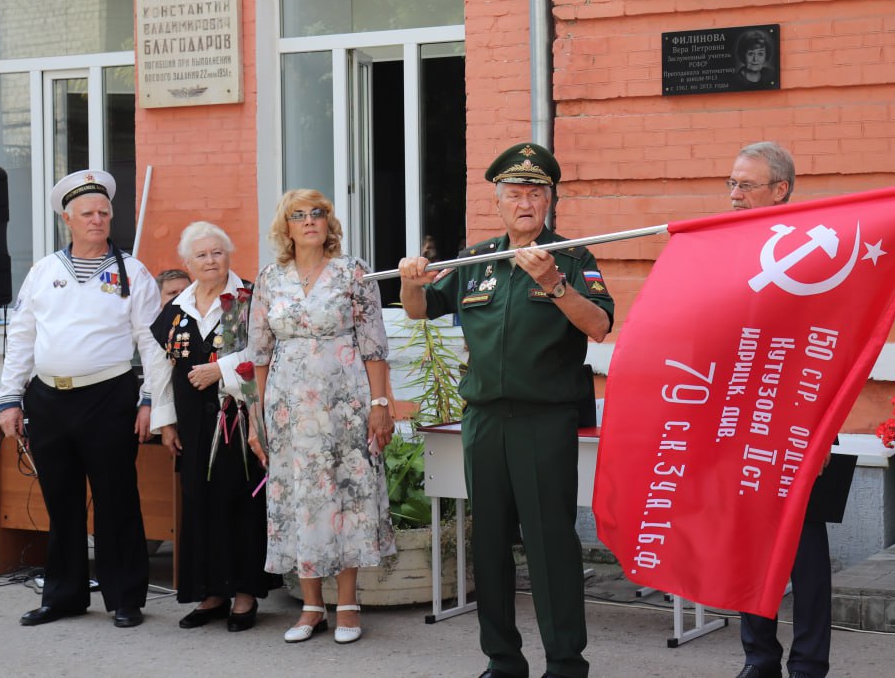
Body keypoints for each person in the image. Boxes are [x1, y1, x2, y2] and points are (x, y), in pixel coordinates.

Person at [398, 142, 614, 678]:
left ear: (549, 202)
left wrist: (552, 283)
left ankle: (565, 662)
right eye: (514, 194)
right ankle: (502, 659)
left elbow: (599, 325)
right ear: (497, 204)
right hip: (484, 420)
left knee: (549, 545)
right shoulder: (478, 260)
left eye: (535, 194)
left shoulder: (573, 257)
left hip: (544, 420)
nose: (525, 203)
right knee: (489, 545)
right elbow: (421, 309)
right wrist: (410, 279)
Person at [0, 169, 169, 629]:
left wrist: (151, 398)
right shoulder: (43, 271)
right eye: (87, 213)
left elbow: (152, 344)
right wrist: (10, 398)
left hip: (109, 397)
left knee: (116, 498)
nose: (97, 220)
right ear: (67, 220)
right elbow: (22, 337)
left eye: (104, 213)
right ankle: (64, 595)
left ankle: (125, 597)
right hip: (48, 399)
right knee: (61, 500)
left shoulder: (131, 272)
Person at [728, 142, 857, 678]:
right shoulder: (724, 249)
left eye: (746, 186)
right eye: (731, 184)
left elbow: (831, 353)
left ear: (780, 190)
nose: (734, 196)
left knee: (803, 553)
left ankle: (808, 665)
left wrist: (822, 433)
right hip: (739, 420)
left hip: (797, 425)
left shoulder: (814, 260)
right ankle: (759, 658)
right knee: (746, 548)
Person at [247, 190, 395, 645]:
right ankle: (312, 607)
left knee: (344, 496)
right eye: (299, 214)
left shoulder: (354, 272)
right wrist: (258, 419)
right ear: (285, 227)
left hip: (343, 405)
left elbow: (374, 345)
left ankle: (348, 604)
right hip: (288, 409)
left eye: (319, 213)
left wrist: (380, 405)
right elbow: (259, 353)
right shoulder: (270, 279)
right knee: (300, 498)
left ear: (329, 224)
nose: (310, 221)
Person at [148, 222, 280, 632]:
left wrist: (218, 370)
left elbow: (265, 351)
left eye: (217, 253)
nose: (211, 261)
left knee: (242, 502)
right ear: (188, 262)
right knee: (199, 502)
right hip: (191, 422)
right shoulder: (177, 307)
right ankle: (212, 592)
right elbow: (160, 367)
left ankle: (243, 594)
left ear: (229, 256)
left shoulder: (247, 299)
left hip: (238, 421)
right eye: (201, 255)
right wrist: (165, 421)